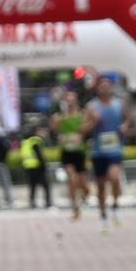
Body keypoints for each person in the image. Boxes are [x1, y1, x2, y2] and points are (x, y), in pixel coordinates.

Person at [85, 77, 129, 228]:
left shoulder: (119, 104)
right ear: (97, 89)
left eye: (107, 86)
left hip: (115, 149)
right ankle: (103, 215)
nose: (104, 88)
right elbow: (84, 130)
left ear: (111, 88)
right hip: (98, 151)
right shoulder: (92, 106)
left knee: (115, 177)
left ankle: (115, 205)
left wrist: (125, 126)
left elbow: (127, 120)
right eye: (101, 86)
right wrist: (93, 122)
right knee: (101, 186)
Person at [55, 89, 90, 222]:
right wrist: (63, 136)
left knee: (83, 184)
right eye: (67, 99)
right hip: (66, 152)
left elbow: (87, 130)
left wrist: (80, 135)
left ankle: (85, 195)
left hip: (79, 152)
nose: (69, 101)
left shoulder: (82, 115)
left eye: (72, 98)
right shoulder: (60, 117)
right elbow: (56, 130)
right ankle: (75, 208)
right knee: (71, 178)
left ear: (76, 100)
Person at [16, 121, 51, 209]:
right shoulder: (35, 140)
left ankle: (32, 203)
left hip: (28, 166)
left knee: (32, 186)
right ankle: (48, 203)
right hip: (37, 166)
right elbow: (39, 153)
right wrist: (44, 165)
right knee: (45, 185)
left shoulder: (25, 141)